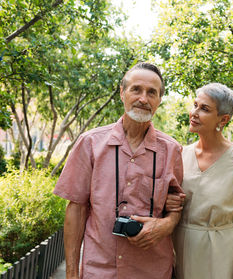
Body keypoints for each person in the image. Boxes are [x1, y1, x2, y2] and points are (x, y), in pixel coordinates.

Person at [53, 62, 183, 279]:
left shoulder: (171, 150)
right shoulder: (90, 143)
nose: (143, 98)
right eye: (136, 89)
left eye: (152, 92)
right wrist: (72, 274)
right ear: (122, 93)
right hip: (100, 269)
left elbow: (176, 207)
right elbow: (75, 210)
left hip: (152, 270)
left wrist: (166, 224)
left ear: (159, 100)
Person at [166, 83, 233, 279]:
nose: (194, 113)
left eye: (204, 109)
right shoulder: (180, 154)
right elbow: (168, 202)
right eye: (195, 105)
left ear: (223, 119)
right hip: (181, 248)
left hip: (224, 252)